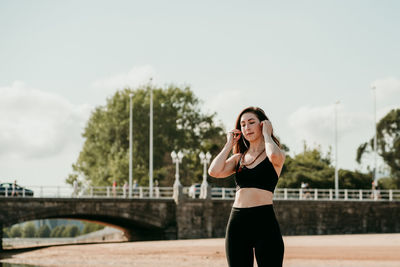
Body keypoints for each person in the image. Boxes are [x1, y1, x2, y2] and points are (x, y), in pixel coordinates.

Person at [208, 106, 286, 267]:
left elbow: (274, 155)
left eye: (251, 122)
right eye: (242, 124)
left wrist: (267, 134)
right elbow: (214, 171)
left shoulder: (275, 153)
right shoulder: (239, 158)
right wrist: (229, 144)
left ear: (262, 124)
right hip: (238, 222)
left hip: (264, 221)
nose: (247, 127)